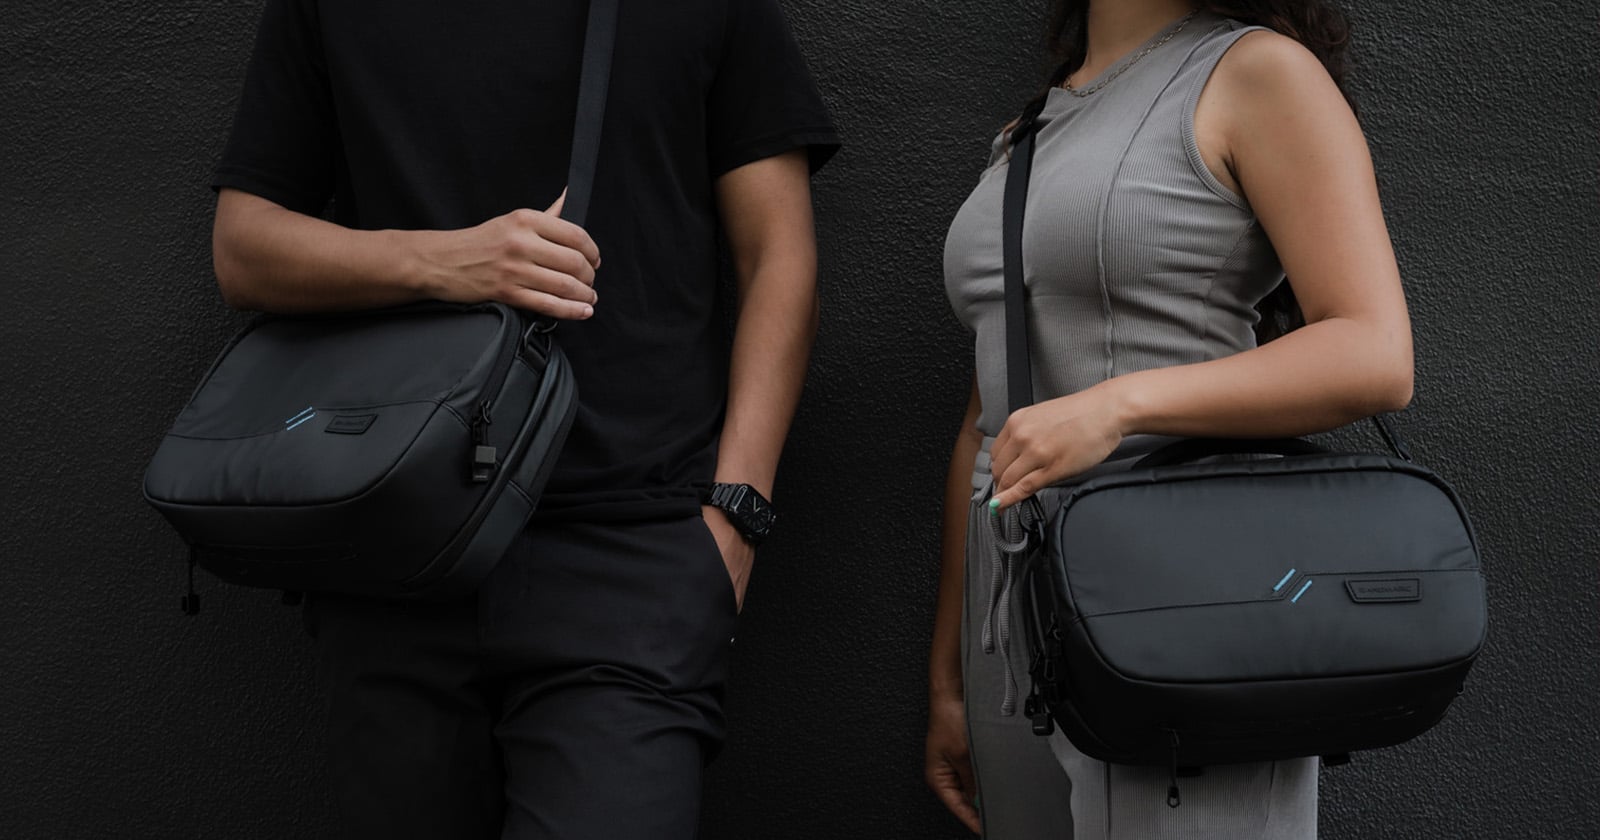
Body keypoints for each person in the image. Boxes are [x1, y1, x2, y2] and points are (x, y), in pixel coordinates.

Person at [207, 1, 837, 837]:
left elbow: (779, 256)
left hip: (631, 556)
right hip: (398, 550)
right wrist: (446, 261)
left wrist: (738, 512)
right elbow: (243, 247)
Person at [926, 0, 1413, 837]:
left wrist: (1119, 406)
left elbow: (1374, 352)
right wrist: (948, 675)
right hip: (1012, 622)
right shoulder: (1028, 130)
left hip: (1183, 598)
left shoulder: (1256, 72)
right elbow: (987, 418)